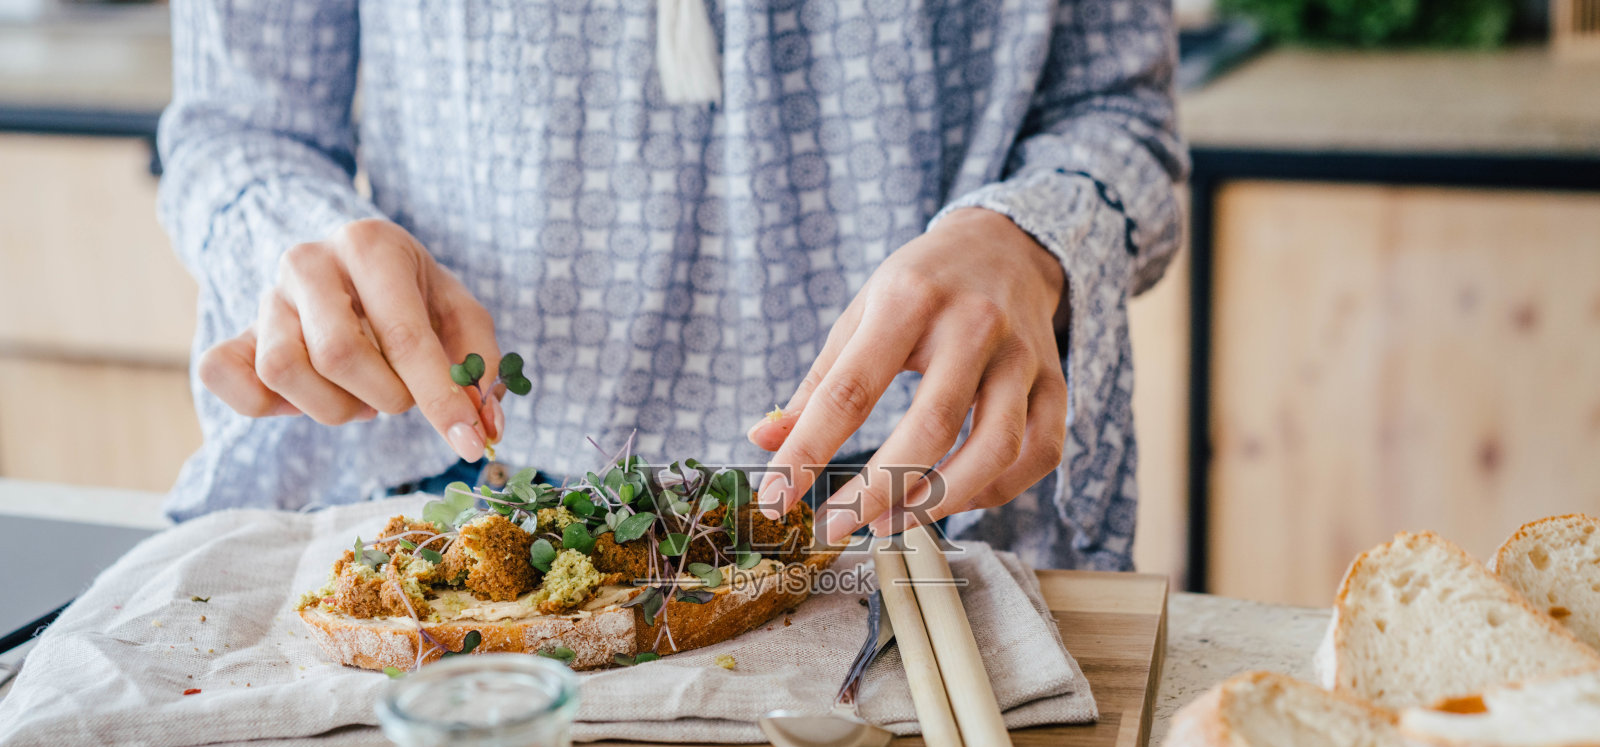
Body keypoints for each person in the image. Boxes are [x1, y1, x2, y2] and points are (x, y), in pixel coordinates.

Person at [157, 0, 1185, 570]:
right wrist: (301, 246)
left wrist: (1030, 235)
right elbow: (236, 127)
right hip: (442, 492)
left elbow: (1118, 115)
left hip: (924, 502)